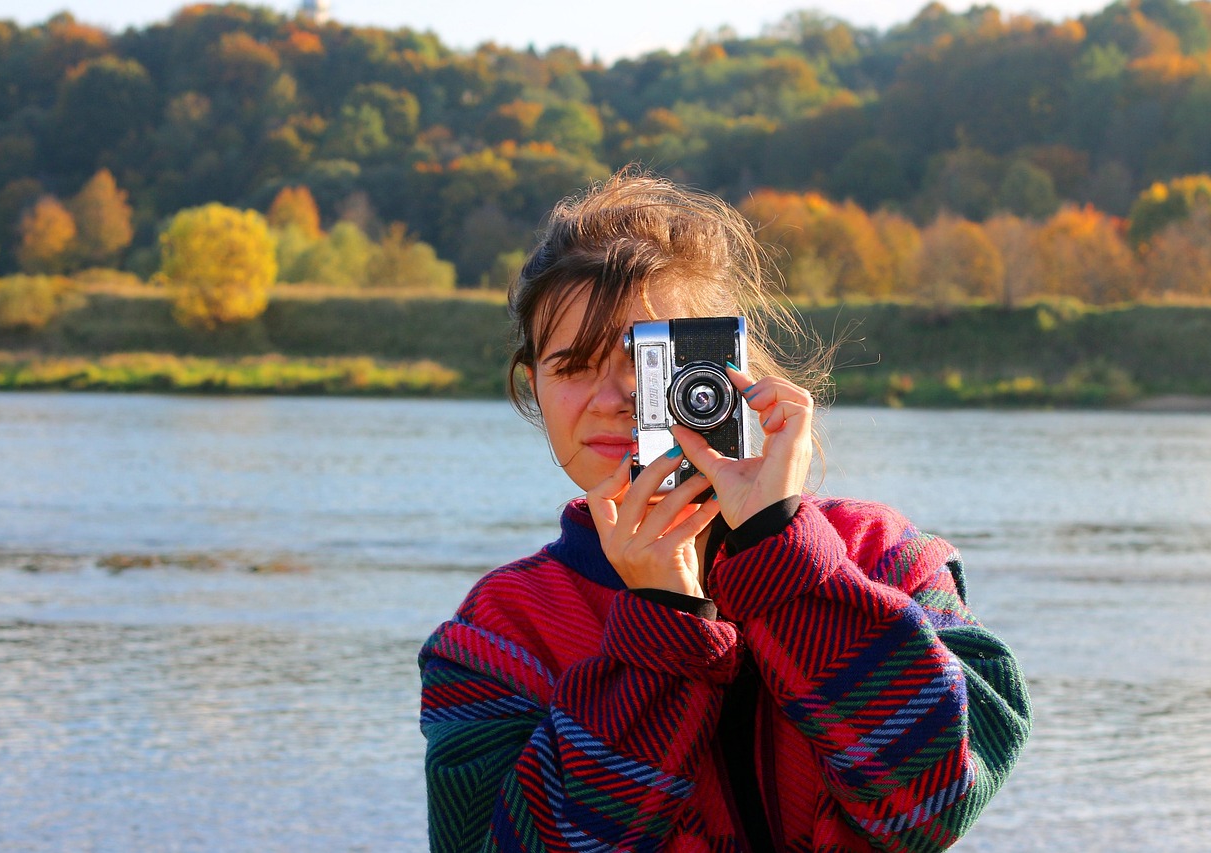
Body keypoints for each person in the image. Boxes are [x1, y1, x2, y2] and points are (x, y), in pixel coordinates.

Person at [419, 170, 1031, 851]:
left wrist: (782, 553)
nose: (616, 395)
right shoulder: (501, 633)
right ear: (532, 384)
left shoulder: (881, 555)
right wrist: (660, 630)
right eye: (572, 366)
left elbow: (933, 802)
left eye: (651, 361)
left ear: (731, 367)